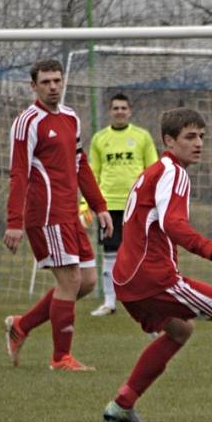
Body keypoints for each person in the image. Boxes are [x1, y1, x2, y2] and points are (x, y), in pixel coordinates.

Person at [103, 107, 212, 422]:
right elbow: (172, 223)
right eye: (190, 137)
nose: (198, 143)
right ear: (169, 140)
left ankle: (122, 404)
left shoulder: (153, 172)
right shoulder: (173, 172)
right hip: (154, 278)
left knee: (180, 329)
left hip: (126, 280)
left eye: (201, 137)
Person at [3, 59, 113, 371]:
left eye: (57, 81)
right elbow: (19, 174)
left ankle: (21, 325)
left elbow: (80, 164)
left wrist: (99, 205)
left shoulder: (70, 117)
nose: (53, 86)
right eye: (46, 82)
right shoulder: (28, 122)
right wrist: (14, 223)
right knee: (70, 281)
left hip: (70, 213)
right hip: (46, 214)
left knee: (88, 282)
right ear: (33, 86)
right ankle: (61, 358)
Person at [84, 93, 157, 317]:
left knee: (140, 253)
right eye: (115, 108)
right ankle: (109, 302)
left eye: (123, 108)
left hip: (136, 205)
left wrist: (155, 200)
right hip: (108, 206)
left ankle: (144, 299)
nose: (119, 111)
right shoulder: (99, 139)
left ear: (130, 111)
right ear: (110, 111)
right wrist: (85, 204)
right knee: (110, 253)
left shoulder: (142, 137)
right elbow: (91, 172)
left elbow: (152, 169)